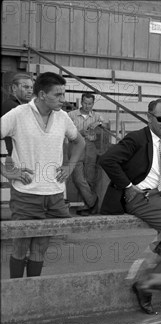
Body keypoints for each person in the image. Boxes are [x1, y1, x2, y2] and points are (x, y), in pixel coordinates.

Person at [98, 98, 161, 314]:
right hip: (144, 198)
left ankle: (147, 281)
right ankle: (146, 284)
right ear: (149, 117)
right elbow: (107, 160)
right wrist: (129, 186)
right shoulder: (136, 138)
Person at [0, 71, 85, 278]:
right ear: (41, 94)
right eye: (58, 95)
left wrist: (70, 167)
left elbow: (79, 141)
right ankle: (18, 294)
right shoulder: (18, 114)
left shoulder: (63, 117)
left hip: (54, 193)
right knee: (20, 246)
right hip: (26, 192)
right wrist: (8, 172)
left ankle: (34, 294)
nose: (63, 100)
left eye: (63, 94)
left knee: (40, 248)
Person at [68, 93, 110, 215]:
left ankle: (85, 207)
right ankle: (93, 201)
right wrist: (81, 132)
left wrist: (98, 124)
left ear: (93, 103)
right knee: (78, 178)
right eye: (85, 103)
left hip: (91, 147)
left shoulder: (96, 116)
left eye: (90, 104)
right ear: (81, 102)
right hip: (76, 146)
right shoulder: (71, 115)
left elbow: (107, 124)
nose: (87, 106)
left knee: (89, 178)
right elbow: (66, 131)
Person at [2, 71, 34, 162]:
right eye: (26, 87)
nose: (30, 90)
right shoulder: (13, 107)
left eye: (31, 87)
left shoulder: (16, 106)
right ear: (14, 88)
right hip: (13, 157)